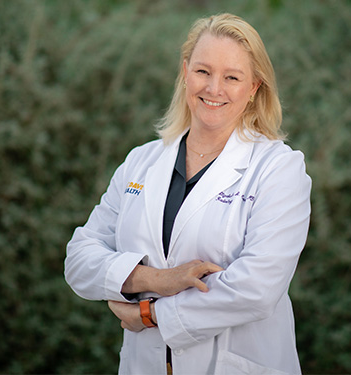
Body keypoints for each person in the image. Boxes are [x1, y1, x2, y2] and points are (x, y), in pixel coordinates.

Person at [65, 13, 311, 375]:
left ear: (254, 87)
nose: (214, 88)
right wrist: (156, 280)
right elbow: (79, 259)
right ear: (185, 73)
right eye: (202, 71)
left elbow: (256, 289)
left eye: (232, 77)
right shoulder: (141, 162)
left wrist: (149, 314)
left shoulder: (279, 169)